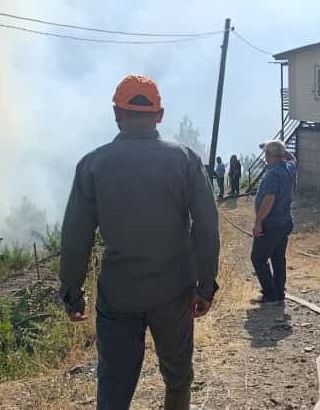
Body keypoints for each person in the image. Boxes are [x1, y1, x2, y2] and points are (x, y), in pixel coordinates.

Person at [59, 75, 220, 410]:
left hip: (119, 295)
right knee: (178, 377)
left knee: (114, 385)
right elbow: (206, 227)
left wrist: (72, 293)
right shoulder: (185, 160)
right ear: (159, 115)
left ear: (117, 114)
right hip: (174, 291)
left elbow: (76, 237)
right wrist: (205, 286)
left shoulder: (92, 165)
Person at [249, 141, 296, 304]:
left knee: (258, 258)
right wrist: (282, 151)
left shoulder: (272, 175)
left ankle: (270, 294)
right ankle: (279, 292)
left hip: (272, 224)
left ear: (268, 155)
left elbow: (269, 199)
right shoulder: (289, 168)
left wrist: (258, 222)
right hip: (285, 222)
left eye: (266, 153)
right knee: (278, 258)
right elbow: (293, 159)